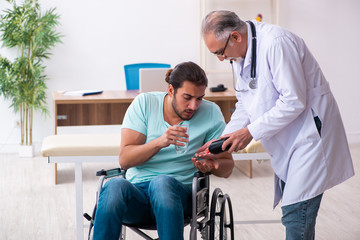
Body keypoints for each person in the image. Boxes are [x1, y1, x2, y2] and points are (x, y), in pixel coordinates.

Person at [200, 10, 354, 239]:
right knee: (294, 209)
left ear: (235, 37)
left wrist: (250, 132)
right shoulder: (239, 55)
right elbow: (245, 104)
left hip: (309, 134)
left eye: (219, 52)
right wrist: (223, 140)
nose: (220, 59)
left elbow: (293, 100)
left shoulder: (276, 43)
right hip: (287, 135)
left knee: (296, 211)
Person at [92, 61, 234, 240]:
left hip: (181, 195)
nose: (194, 106)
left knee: (162, 183)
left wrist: (212, 165)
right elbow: (125, 160)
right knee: (113, 185)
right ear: (171, 90)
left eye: (199, 98)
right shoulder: (144, 103)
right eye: (187, 97)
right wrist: (160, 142)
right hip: (139, 196)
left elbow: (227, 166)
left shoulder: (211, 112)